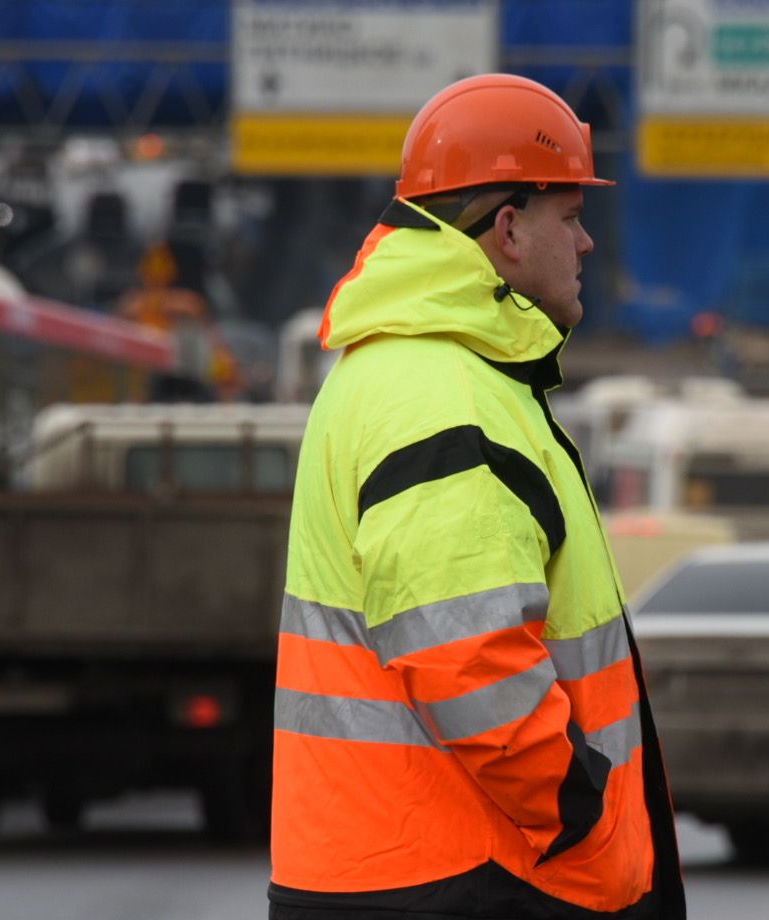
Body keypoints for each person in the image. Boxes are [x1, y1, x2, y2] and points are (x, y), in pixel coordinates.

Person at [270, 74, 686, 920]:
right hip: (475, 877)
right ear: (506, 230)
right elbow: (468, 657)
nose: (586, 243)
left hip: (419, 871)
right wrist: (584, 818)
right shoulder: (443, 394)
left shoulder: (409, 369)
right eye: (569, 218)